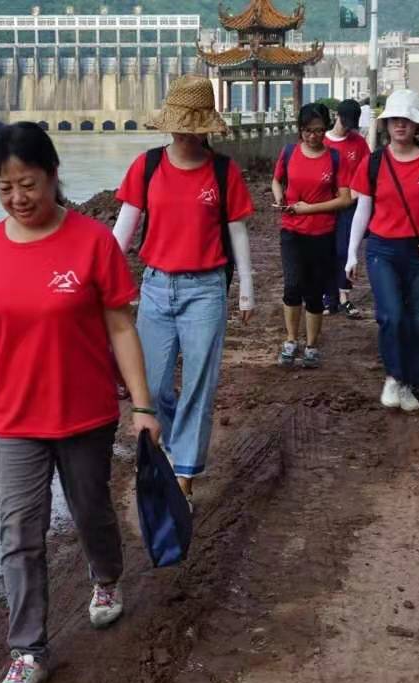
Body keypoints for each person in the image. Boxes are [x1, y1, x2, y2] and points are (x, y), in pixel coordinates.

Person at [0, 122, 161, 683]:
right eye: (5, 187)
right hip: (15, 418)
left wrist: (142, 405)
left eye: (28, 184)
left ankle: (106, 575)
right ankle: (28, 651)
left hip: (85, 414)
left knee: (91, 510)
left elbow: (120, 326)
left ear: (52, 176)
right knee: (19, 534)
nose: (18, 197)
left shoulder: (93, 242)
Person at [113, 75, 255, 508]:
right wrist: (97, 277)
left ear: (205, 127)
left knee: (199, 386)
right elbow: (123, 229)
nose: (184, 134)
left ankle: (185, 476)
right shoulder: (147, 166)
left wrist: (247, 289)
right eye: (178, 126)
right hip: (156, 288)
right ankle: (174, 443)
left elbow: (238, 231)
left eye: (192, 127)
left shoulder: (223, 172)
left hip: (205, 291)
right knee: (152, 387)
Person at [345, 89, 419, 412]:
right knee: (392, 315)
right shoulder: (373, 163)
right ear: (387, 124)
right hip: (382, 250)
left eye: (407, 120)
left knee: (418, 318)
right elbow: (362, 210)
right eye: (395, 120)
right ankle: (394, 377)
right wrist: (351, 252)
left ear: (417, 125)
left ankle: (413, 380)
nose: (400, 125)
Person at [272, 102, 352, 369]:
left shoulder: (335, 158)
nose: (313, 136)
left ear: (326, 128)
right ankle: (291, 340)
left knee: (315, 291)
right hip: (291, 231)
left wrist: (309, 209)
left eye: (318, 130)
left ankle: (312, 345)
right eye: (307, 130)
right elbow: (277, 180)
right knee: (292, 285)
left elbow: (344, 199)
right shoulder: (289, 152)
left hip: (322, 233)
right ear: (300, 130)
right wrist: (280, 198)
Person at [323, 98, 371, 318]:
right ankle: (328, 295)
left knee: (345, 250)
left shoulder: (358, 143)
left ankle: (344, 296)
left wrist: (355, 194)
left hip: (350, 205)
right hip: (325, 205)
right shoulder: (323, 141)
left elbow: (367, 171)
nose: (347, 128)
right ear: (337, 117)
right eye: (345, 122)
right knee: (326, 250)